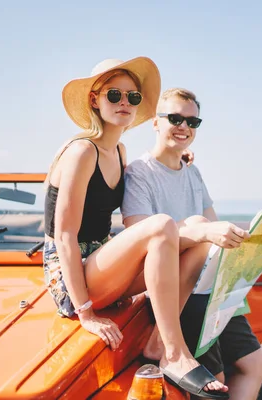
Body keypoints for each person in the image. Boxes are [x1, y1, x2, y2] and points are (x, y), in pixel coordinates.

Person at [43, 59, 227, 399]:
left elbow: (156, 166)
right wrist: (86, 314)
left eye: (133, 96)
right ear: (95, 100)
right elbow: (64, 236)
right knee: (162, 226)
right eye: (115, 95)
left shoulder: (119, 150)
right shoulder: (82, 151)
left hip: (101, 261)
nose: (124, 102)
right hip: (71, 279)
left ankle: (159, 340)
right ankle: (175, 353)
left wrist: (181, 157)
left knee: (199, 233)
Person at [122, 88, 262, 400]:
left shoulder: (193, 171)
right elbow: (139, 238)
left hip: (207, 285)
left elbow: (212, 225)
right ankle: (163, 340)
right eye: (174, 118)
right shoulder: (139, 172)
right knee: (214, 383)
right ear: (155, 122)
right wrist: (203, 232)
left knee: (255, 363)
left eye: (192, 121)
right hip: (175, 288)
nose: (183, 126)